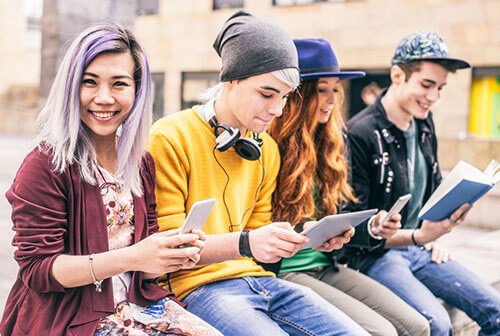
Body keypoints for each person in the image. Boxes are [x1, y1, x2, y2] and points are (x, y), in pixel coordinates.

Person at [148, 10, 370, 336]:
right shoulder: (169, 137)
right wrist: (248, 242)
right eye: (267, 94)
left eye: (284, 97)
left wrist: (308, 238)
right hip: (197, 287)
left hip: (260, 281)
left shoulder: (265, 148)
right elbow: (171, 252)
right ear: (230, 80)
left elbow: (258, 236)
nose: (277, 110)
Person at [0, 24, 221, 336]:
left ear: (137, 90)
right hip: (69, 316)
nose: (104, 98)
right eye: (89, 83)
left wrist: (172, 255)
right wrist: (132, 257)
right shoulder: (44, 165)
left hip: (136, 303)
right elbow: (38, 270)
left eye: (119, 84)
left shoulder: (141, 162)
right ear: (70, 87)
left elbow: (144, 259)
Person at [267, 38, 430, 336]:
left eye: (335, 90)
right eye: (321, 90)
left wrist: (371, 226)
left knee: (417, 325)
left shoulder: (334, 144)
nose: (332, 99)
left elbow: (346, 213)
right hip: (286, 272)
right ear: (297, 95)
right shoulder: (270, 146)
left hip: (328, 264)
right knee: (382, 332)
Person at [345, 31, 500, 335]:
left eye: (440, 88)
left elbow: (433, 187)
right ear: (397, 75)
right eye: (426, 85)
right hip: (376, 258)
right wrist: (418, 236)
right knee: (436, 325)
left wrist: (436, 229)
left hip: (420, 248)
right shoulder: (359, 133)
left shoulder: (423, 122)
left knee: (497, 311)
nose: (433, 97)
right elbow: (354, 231)